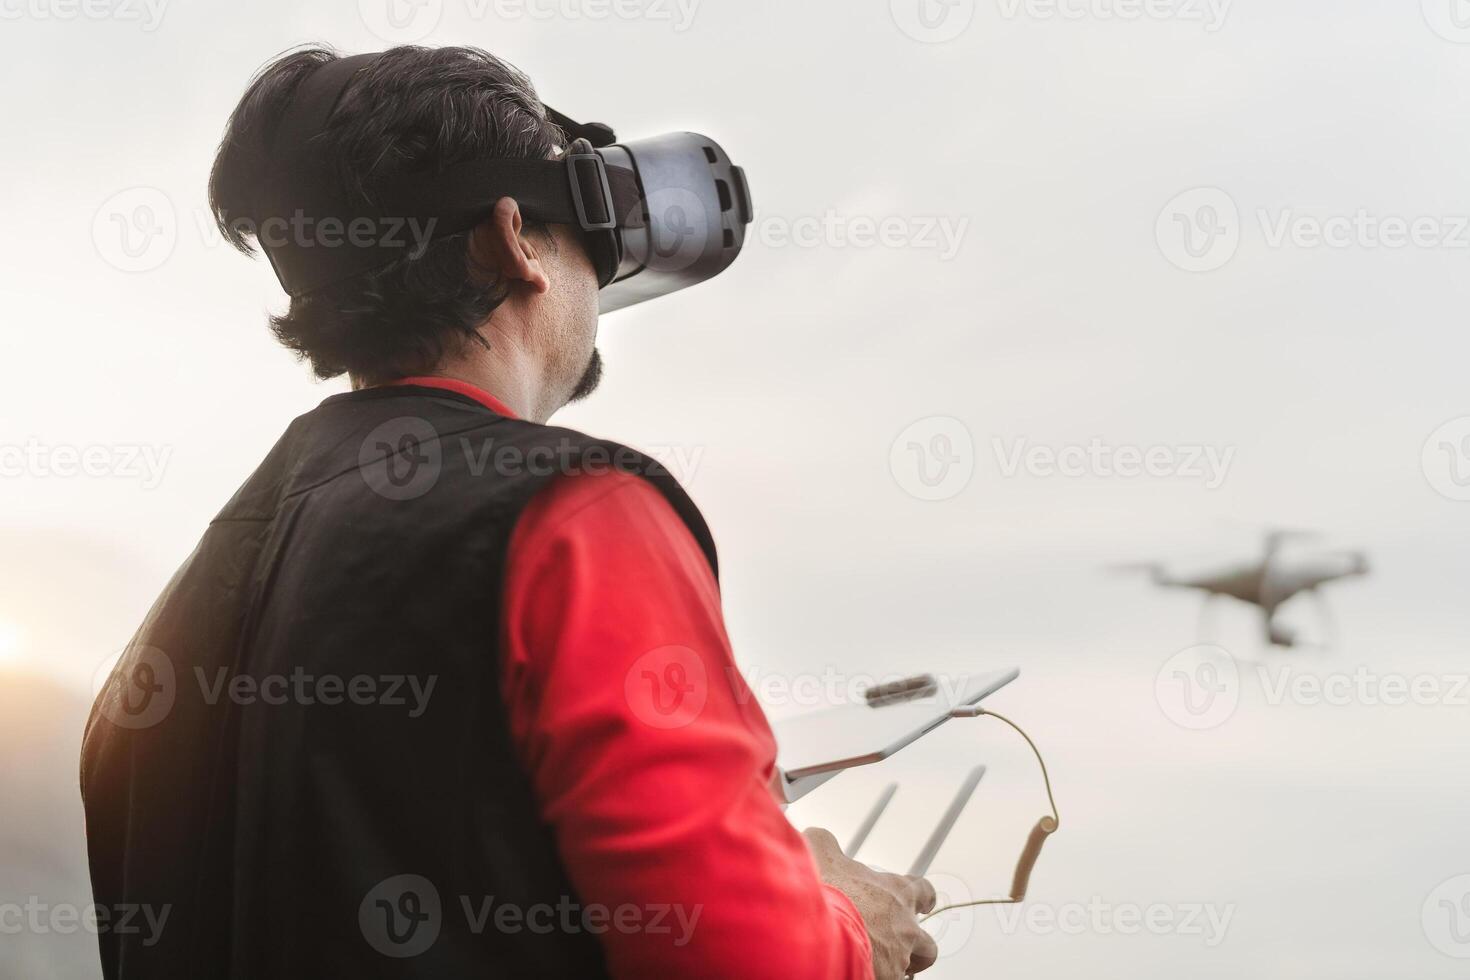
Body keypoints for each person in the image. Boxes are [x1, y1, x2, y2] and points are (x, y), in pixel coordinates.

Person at [81, 44, 940, 979]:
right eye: (586, 242)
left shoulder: (157, 648)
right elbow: (748, 962)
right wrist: (849, 922)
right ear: (514, 240)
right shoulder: (580, 516)